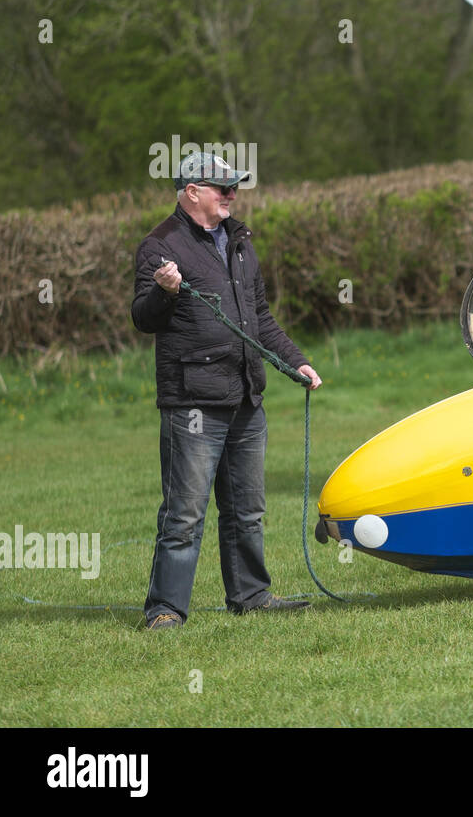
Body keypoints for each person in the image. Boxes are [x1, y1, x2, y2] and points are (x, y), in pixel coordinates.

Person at [132, 152, 322, 630]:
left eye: (235, 187)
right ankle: (166, 610)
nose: (232, 195)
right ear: (192, 191)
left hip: (245, 397)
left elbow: (258, 318)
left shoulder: (239, 241)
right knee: (184, 514)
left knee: (247, 510)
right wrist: (164, 291)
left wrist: (294, 361)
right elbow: (143, 319)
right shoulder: (159, 246)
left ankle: (251, 596)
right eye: (223, 188)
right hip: (192, 401)